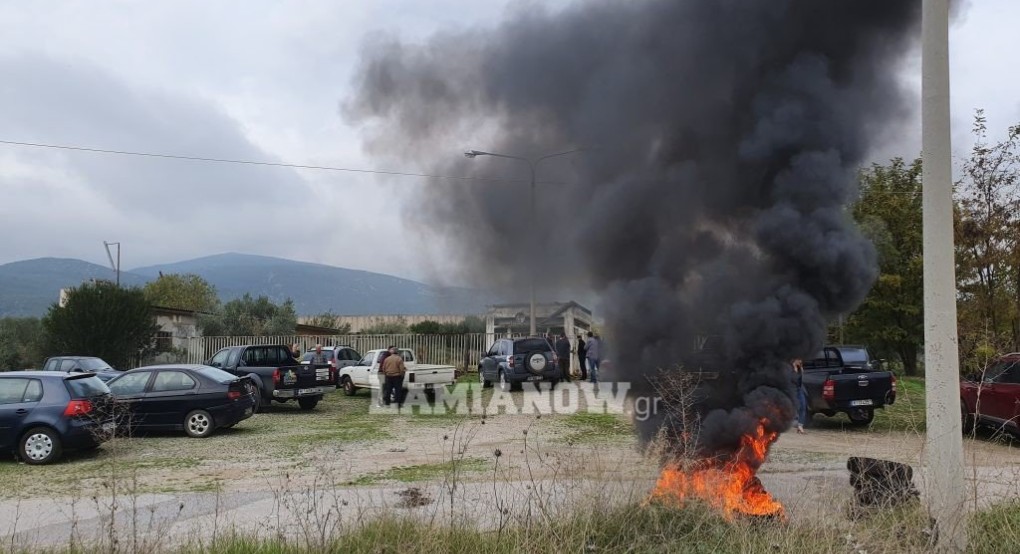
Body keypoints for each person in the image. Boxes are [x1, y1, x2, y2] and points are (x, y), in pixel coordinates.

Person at [792, 358, 807, 434]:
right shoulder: (789, 369)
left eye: (801, 360)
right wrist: (794, 368)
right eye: (799, 360)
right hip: (791, 390)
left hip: (799, 389)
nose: (801, 361)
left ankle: (800, 426)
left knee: (803, 406)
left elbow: (801, 378)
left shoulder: (800, 368)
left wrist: (800, 368)